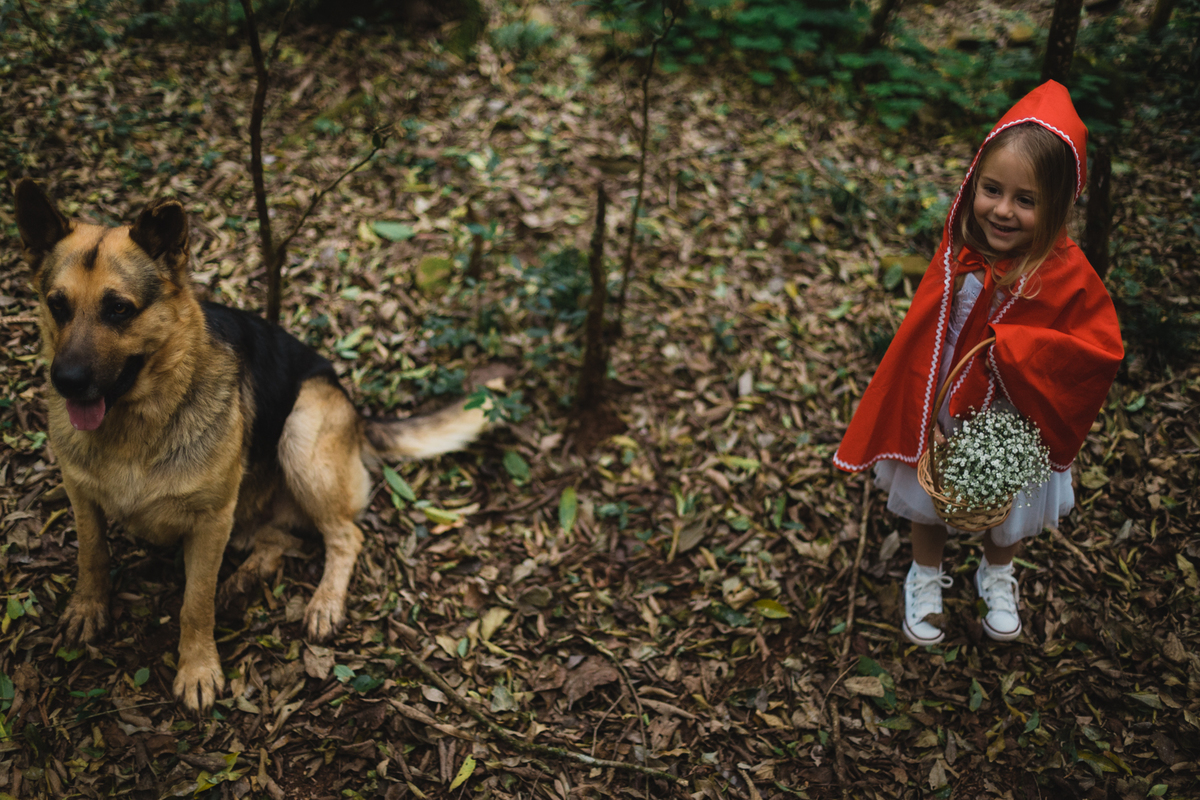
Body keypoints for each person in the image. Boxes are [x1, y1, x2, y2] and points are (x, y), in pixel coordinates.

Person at [833, 81, 1123, 645]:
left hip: (1013, 416)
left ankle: (996, 572)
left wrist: (1017, 350)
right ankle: (925, 574)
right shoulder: (960, 256)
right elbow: (925, 337)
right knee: (929, 493)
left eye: (1026, 200)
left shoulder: (1065, 276)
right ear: (973, 183)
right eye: (992, 190)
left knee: (1004, 504)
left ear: (1057, 205)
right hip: (945, 398)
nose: (1003, 210)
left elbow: (1092, 353)